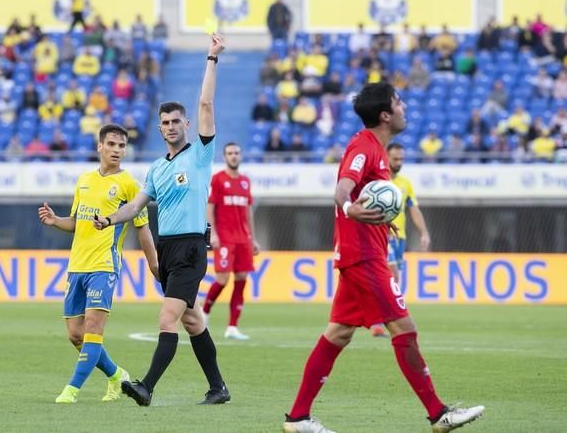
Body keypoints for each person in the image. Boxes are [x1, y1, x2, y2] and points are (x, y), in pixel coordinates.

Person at [282, 82, 484, 433]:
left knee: (338, 334)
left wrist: (381, 222)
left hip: (363, 250)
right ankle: (438, 414)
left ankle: (298, 418)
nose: (404, 108)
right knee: (404, 328)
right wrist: (350, 209)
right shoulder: (365, 146)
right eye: (399, 103)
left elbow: (363, 195)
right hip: (363, 257)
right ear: (386, 115)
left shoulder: (376, 149)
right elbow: (342, 190)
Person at [92, 34, 229, 406]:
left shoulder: (200, 155)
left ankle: (146, 387)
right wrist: (110, 220)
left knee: (167, 319)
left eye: (175, 121)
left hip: (189, 248)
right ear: (159, 128)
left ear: (186, 124)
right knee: (192, 321)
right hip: (167, 251)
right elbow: (135, 207)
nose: (170, 126)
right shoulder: (155, 168)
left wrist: (211, 58)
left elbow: (205, 102)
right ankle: (218, 388)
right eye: (164, 122)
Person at [39, 123, 159, 404]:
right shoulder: (84, 180)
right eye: (112, 145)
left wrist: (154, 265)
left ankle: (71, 390)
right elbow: (76, 221)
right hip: (77, 266)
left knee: (93, 328)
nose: (117, 150)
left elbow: (143, 228)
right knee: (76, 335)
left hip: (104, 265)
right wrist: (56, 221)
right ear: (100, 147)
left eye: (121, 146)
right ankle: (117, 377)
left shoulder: (129, 184)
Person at [370, 143, 431, 338]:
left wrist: (424, 232)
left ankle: (381, 318)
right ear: (386, 158)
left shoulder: (405, 183)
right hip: (382, 235)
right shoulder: (377, 181)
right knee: (392, 276)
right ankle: (381, 321)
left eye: (401, 159)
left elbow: (413, 209)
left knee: (393, 280)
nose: (399, 163)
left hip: (400, 237)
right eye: (395, 159)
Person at [202, 143, 260, 340]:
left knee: (242, 278)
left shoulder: (245, 182)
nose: (234, 156)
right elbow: (210, 208)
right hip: (225, 239)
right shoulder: (218, 180)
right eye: (230, 153)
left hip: (243, 239)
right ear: (224, 156)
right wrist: (213, 235)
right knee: (222, 279)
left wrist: (253, 238)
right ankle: (205, 313)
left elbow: (248, 212)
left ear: (240, 155)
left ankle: (232, 327)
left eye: (236, 153)